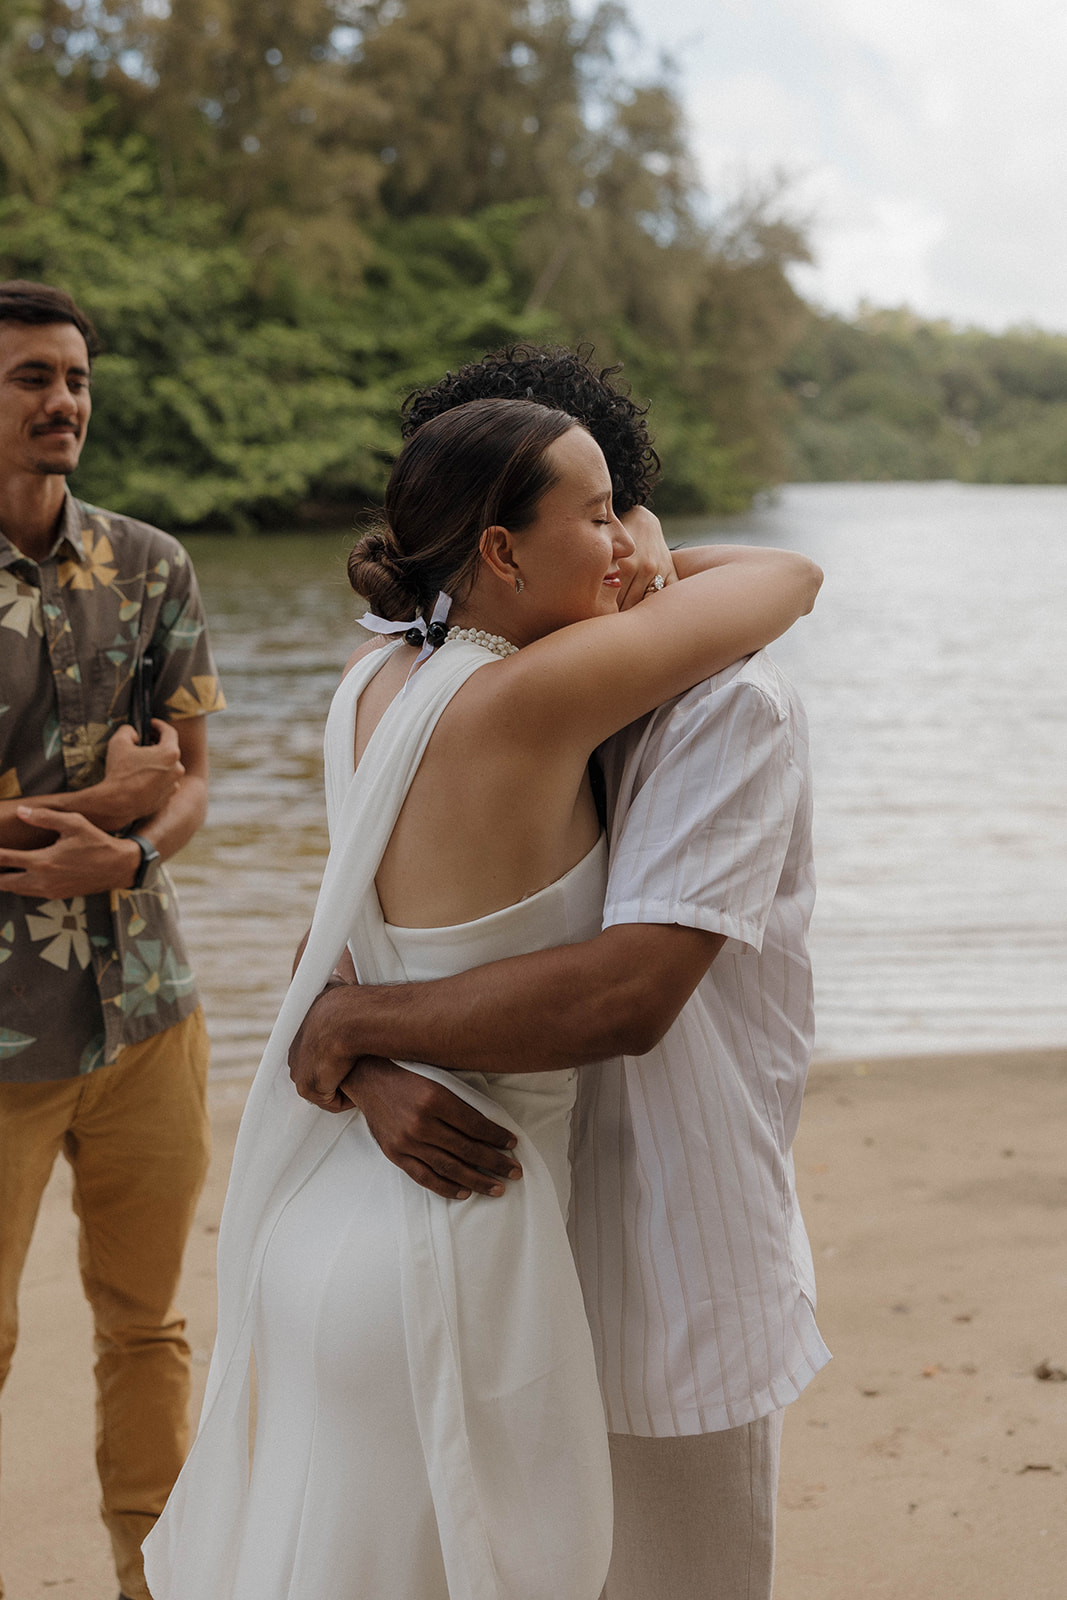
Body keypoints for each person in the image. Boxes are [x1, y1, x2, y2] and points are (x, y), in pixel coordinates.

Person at [144, 397, 820, 1600]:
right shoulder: (542, 694)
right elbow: (789, 574)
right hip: (461, 1237)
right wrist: (659, 551)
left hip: (331, 1229)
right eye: (597, 512)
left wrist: (357, 1041)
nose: (622, 541)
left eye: (626, 507)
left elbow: (337, 942)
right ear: (499, 549)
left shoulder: (369, 681)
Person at [0, 280, 225, 1600]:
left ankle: (156, 1584)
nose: (63, 401)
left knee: (148, 1328)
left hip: (147, 1010)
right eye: (32, 377)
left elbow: (193, 775)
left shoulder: (150, 565)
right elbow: (145, 779)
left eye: (74, 379)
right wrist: (106, 806)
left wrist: (135, 847)